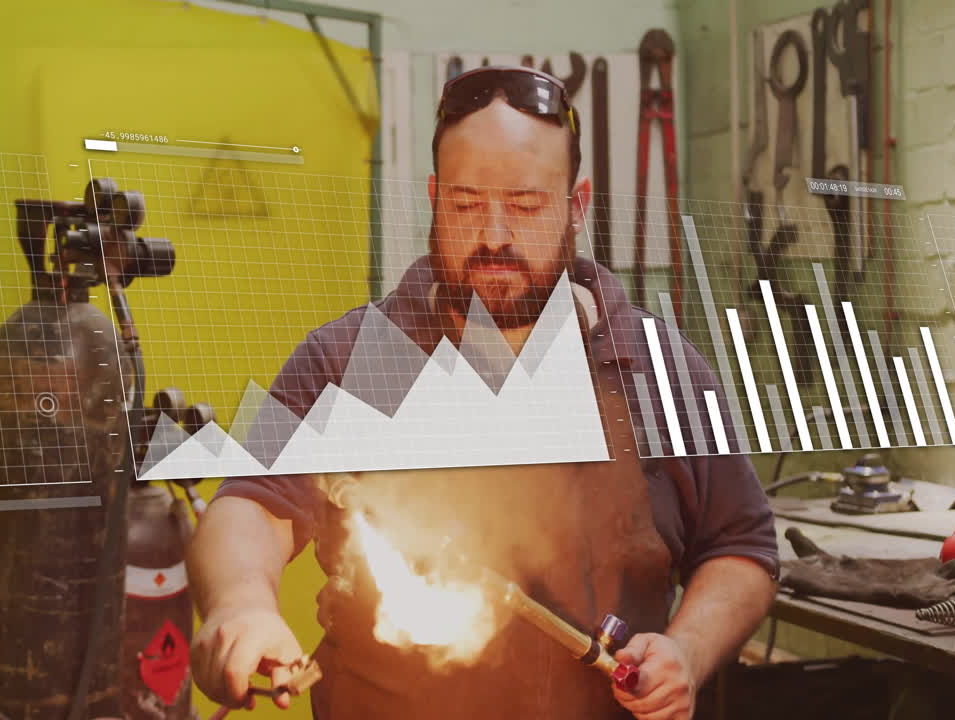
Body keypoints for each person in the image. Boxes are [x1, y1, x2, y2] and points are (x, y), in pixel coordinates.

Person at [188, 66, 779, 720]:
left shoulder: (659, 368)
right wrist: (241, 603)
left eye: (525, 205)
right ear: (435, 198)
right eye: (466, 204)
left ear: (576, 205)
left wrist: (687, 652)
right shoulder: (350, 358)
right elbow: (252, 503)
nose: (494, 235)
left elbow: (740, 548)